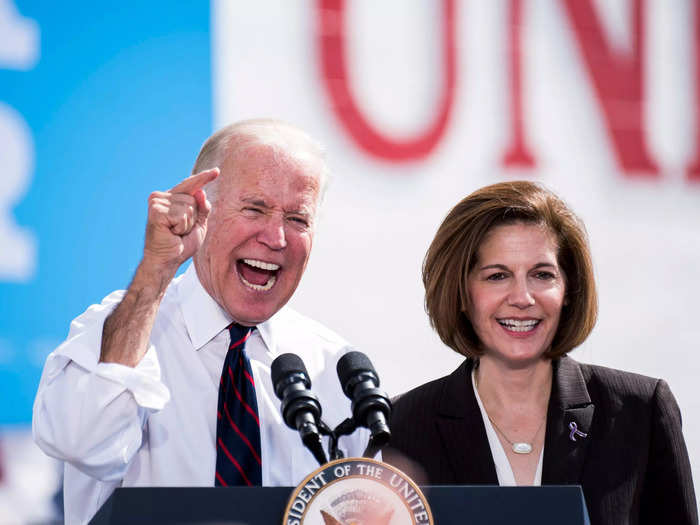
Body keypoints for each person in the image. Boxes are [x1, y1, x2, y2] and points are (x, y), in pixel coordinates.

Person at [33, 119, 370, 524]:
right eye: (255, 208)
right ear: (199, 210)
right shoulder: (117, 329)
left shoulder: (335, 368)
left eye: (298, 219)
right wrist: (156, 269)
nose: (277, 237)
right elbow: (80, 440)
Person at [384, 181, 697, 525]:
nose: (522, 297)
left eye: (541, 274)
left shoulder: (640, 412)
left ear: (568, 290)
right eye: (497, 275)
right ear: (461, 292)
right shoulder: (403, 424)